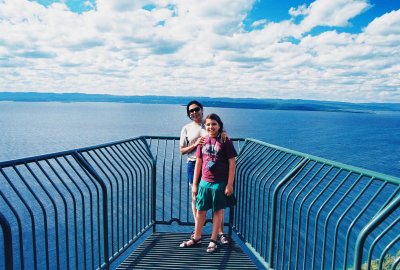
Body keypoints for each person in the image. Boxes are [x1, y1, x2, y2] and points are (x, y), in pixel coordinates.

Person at [180, 113, 237, 253]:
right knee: (200, 210)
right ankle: (197, 237)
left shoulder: (226, 141)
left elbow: (232, 163)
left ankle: (213, 240)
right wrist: (195, 184)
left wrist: (229, 184)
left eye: (214, 124)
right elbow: (198, 162)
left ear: (219, 125)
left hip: (219, 182)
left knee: (218, 211)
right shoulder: (203, 141)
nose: (211, 127)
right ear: (205, 126)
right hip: (204, 181)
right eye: (208, 124)